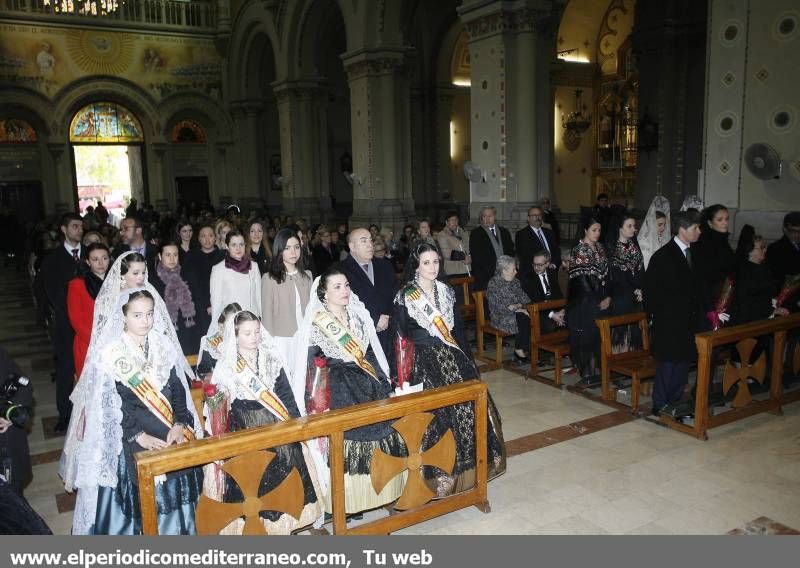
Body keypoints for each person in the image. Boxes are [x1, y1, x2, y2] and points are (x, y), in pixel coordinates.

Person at [60, 288, 203, 535]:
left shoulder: (163, 345)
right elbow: (111, 405)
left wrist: (180, 423)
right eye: (137, 315)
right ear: (123, 316)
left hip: (170, 432)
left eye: (150, 314)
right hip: (133, 438)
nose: (145, 321)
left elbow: (178, 391)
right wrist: (138, 436)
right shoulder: (112, 354)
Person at [393, 242, 506, 497]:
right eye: (426, 263)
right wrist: (401, 376)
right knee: (440, 415)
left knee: (470, 406)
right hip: (423, 361)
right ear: (416, 266)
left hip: (453, 355)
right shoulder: (405, 296)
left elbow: (458, 335)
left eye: (436, 262)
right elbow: (401, 338)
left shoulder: (447, 291)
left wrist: (468, 361)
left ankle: (471, 470)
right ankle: (441, 476)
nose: (432, 267)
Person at [293, 270, 405, 515]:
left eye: (346, 285)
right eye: (337, 286)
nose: (344, 290)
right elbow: (314, 364)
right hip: (337, 384)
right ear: (324, 293)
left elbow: (369, 353)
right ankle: (351, 503)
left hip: (366, 379)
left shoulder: (357, 316)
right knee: (348, 437)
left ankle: (384, 491)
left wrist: (384, 380)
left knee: (382, 428)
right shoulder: (318, 322)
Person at [211, 311, 322, 533]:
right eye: (247, 333)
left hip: (275, 423)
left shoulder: (270, 358)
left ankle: (285, 524)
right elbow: (218, 408)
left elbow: (286, 394)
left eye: (257, 332)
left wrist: (295, 424)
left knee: (286, 467)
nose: (254, 337)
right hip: (245, 428)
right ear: (235, 335)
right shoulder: (226, 365)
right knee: (253, 480)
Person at [644, 210, 705, 415]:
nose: (699, 231)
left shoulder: (694, 253)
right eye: (695, 228)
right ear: (682, 230)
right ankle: (660, 404)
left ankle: (675, 401)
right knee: (668, 365)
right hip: (669, 323)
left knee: (683, 365)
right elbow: (650, 293)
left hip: (688, 322)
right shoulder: (663, 257)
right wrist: (661, 317)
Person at [40, 212, 84, 433]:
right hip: (66, 323)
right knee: (66, 369)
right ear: (64, 230)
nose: (79, 230)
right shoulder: (53, 259)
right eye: (75, 226)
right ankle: (65, 415)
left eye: (81, 226)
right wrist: (69, 312)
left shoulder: (89, 255)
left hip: (89, 322)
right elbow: (52, 291)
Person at [261, 228, 313, 408]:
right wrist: (269, 346)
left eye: (296, 247)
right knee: (285, 384)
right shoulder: (269, 278)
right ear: (279, 250)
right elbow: (266, 315)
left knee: (305, 380)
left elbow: (312, 311)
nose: (293, 252)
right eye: (288, 248)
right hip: (282, 339)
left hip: (304, 337)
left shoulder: (307, 276)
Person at [336, 228, 397, 360]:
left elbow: (394, 294)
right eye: (363, 241)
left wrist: (387, 315)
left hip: (388, 332)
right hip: (361, 338)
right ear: (352, 246)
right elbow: (342, 305)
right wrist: (375, 319)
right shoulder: (339, 271)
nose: (370, 245)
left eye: (370, 240)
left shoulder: (385, 265)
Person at [567, 216, 611, 384]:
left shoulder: (600, 248)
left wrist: (607, 295)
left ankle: (598, 371)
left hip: (600, 298)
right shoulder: (579, 249)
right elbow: (582, 279)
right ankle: (587, 373)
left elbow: (607, 275)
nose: (597, 233)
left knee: (598, 337)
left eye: (599, 230)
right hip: (584, 300)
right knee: (587, 335)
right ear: (585, 230)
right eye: (594, 230)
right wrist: (597, 298)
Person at [67, 242, 110, 377]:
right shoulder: (77, 284)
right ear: (87, 261)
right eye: (95, 259)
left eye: (104, 258)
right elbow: (76, 321)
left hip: (114, 344)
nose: (101, 263)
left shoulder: (117, 282)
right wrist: (98, 340)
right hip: (88, 344)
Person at [692, 204, 736, 327]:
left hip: (726, 299)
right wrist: (710, 309)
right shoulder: (702, 243)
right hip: (709, 302)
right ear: (710, 223)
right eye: (720, 219)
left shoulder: (724, 242)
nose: (725, 223)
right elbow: (701, 278)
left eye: (727, 219)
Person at [149, 242, 197, 355]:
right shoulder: (153, 279)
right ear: (160, 256)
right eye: (168, 255)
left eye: (175, 255)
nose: (172, 259)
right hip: (164, 332)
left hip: (187, 329)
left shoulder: (186, 274)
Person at [608, 214, 644, 352]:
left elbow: (641, 269)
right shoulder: (613, 248)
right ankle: (618, 357)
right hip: (621, 293)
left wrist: (641, 288)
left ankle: (632, 356)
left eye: (634, 226)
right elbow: (617, 276)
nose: (633, 229)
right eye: (629, 226)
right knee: (621, 330)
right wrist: (634, 289)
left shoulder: (635, 247)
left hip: (636, 293)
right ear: (620, 228)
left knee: (636, 329)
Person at [486, 255, 531, 363]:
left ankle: (524, 348)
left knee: (528, 315)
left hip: (515, 313)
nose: (516, 271)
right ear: (504, 270)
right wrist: (517, 308)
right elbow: (498, 307)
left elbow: (526, 299)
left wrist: (518, 307)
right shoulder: (494, 284)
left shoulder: (515, 282)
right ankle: (520, 349)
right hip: (500, 317)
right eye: (513, 269)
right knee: (522, 317)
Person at [209, 231, 261, 325]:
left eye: (241, 244)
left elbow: (259, 298)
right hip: (230, 323)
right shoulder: (218, 269)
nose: (238, 248)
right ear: (227, 246)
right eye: (234, 245)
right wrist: (216, 326)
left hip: (252, 321)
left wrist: (261, 318)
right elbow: (216, 303)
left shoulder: (254, 267)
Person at [182, 225, 224, 336]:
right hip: (197, 306)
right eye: (203, 236)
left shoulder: (223, 256)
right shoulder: (191, 256)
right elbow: (186, 283)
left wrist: (214, 304)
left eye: (210, 236)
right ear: (199, 239)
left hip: (219, 304)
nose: (207, 239)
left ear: (215, 238)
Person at [469, 206, 515, 291]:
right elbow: (477, 258)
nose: (487, 219)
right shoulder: (476, 233)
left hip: (506, 274)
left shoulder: (504, 232)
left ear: (495, 217)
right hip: (487, 277)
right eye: (484, 216)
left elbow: (511, 252)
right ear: (481, 218)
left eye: (490, 216)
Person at [520, 250, 566, 334]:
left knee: (573, 319)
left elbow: (558, 294)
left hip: (554, 308)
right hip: (539, 311)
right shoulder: (528, 277)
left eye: (540, 265)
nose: (536, 267)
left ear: (547, 264)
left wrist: (562, 311)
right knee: (550, 325)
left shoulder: (552, 273)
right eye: (534, 264)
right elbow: (534, 300)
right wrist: (552, 315)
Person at [196, 302, 241, 379]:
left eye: (236, 322)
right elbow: (203, 372)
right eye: (229, 322)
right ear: (222, 323)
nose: (233, 326)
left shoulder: (249, 341)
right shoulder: (211, 343)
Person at [515, 205, 561, 280]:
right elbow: (525, 256)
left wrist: (554, 264)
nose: (537, 217)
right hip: (533, 273)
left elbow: (557, 250)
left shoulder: (549, 232)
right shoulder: (522, 234)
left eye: (539, 215)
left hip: (552, 271)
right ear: (528, 218)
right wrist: (543, 266)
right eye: (534, 215)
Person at [766, 212, 800, 309]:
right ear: (785, 229)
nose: (798, 235)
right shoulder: (775, 249)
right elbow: (776, 281)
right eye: (793, 231)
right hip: (789, 304)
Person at [436, 212, 471, 280]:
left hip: (467, 270)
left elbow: (470, 248)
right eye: (452, 220)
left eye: (456, 220)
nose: (454, 222)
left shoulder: (464, 233)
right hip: (453, 271)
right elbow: (446, 253)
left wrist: (470, 257)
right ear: (446, 222)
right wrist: (464, 257)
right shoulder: (442, 235)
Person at [639, 195, 671, 269]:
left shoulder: (664, 240)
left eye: (664, 225)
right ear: (651, 223)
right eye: (660, 225)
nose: (663, 228)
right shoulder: (643, 243)